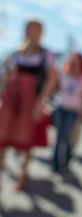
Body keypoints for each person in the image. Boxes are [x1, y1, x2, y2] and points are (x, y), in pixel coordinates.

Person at [0, 19, 57, 190]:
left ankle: (23, 175)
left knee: (27, 140)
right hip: (11, 98)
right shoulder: (16, 53)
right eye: (27, 27)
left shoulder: (46, 55)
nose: (29, 31)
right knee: (2, 138)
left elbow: (51, 80)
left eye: (33, 28)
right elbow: (7, 76)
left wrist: (40, 102)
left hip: (30, 100)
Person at [51, 52, 82, 173]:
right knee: (59, 136)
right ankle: (55, 164)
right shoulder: (63, 75)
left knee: (68, 138)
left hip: (73, 112)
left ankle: (67, 159)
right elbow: (55, 88)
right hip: (61, 108)